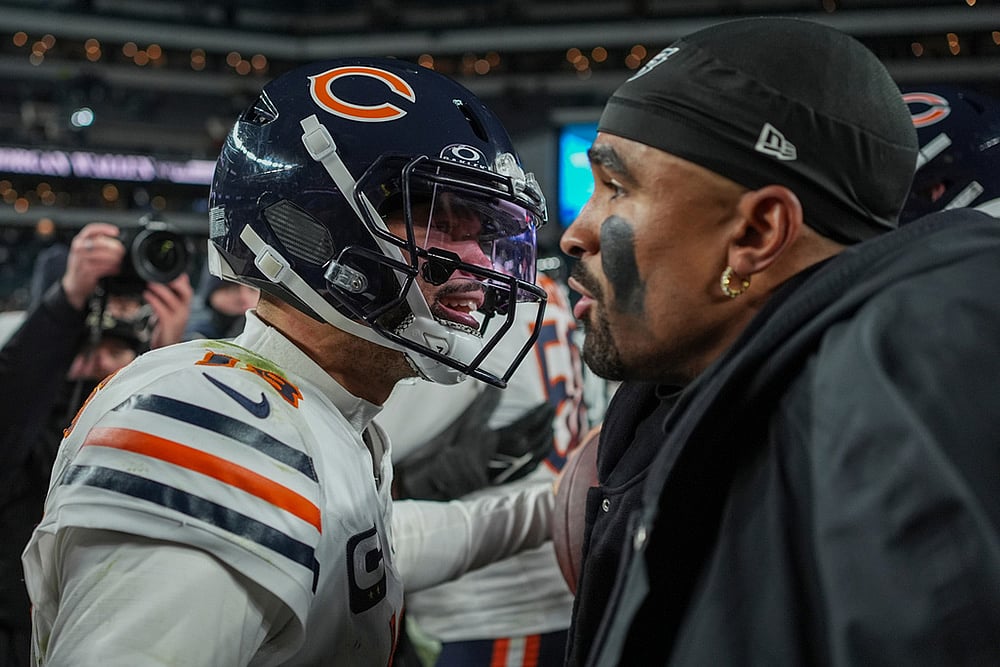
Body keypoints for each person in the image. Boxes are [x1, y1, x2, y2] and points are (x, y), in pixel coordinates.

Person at [21, 57, 554, 665]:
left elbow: (358, 555)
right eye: (442, 219)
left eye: (486, 233)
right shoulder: (218, 425)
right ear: (314, 226)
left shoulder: (315, 410)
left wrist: (552, 506)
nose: (481, 265)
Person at [559, 17, 1000, 666]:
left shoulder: (887, 396)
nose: (575, 232)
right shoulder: (685, 398)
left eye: (616, 187)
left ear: (759, 232)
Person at [0, 221, 193, 666]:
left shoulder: (153, 403)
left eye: (117, 353)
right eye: (89, 352)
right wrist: (67, 301)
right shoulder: (28, 417)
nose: (101, 368)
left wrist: (172, 358)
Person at [382, 271, 588, 667]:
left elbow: (358, 447)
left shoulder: (459, 297)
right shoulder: (543, 286)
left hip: (498, 596)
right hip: (542, 573)